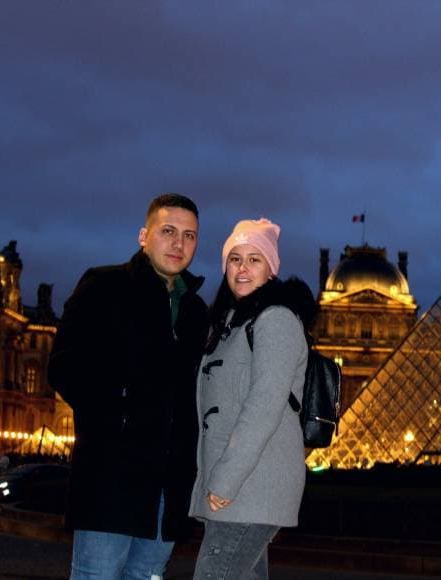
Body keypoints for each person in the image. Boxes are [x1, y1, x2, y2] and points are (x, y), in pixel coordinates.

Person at [48, 193, 209, 579]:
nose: (178, 243)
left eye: (189, 236)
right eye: (168, 231)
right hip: (112, 477)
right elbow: (63, 366)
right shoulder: (104, 285)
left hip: (169, 489)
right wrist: (117, 417)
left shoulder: (197, 312)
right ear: (143, 235)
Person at [190, 218, 313, 579]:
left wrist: (226, 479)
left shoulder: (276, 320)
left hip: (250, 484)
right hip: (239, 484)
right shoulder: (232, 322)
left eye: (254, 259)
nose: (242, 268)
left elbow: (264, 405)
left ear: (271, 269)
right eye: (235, 259)